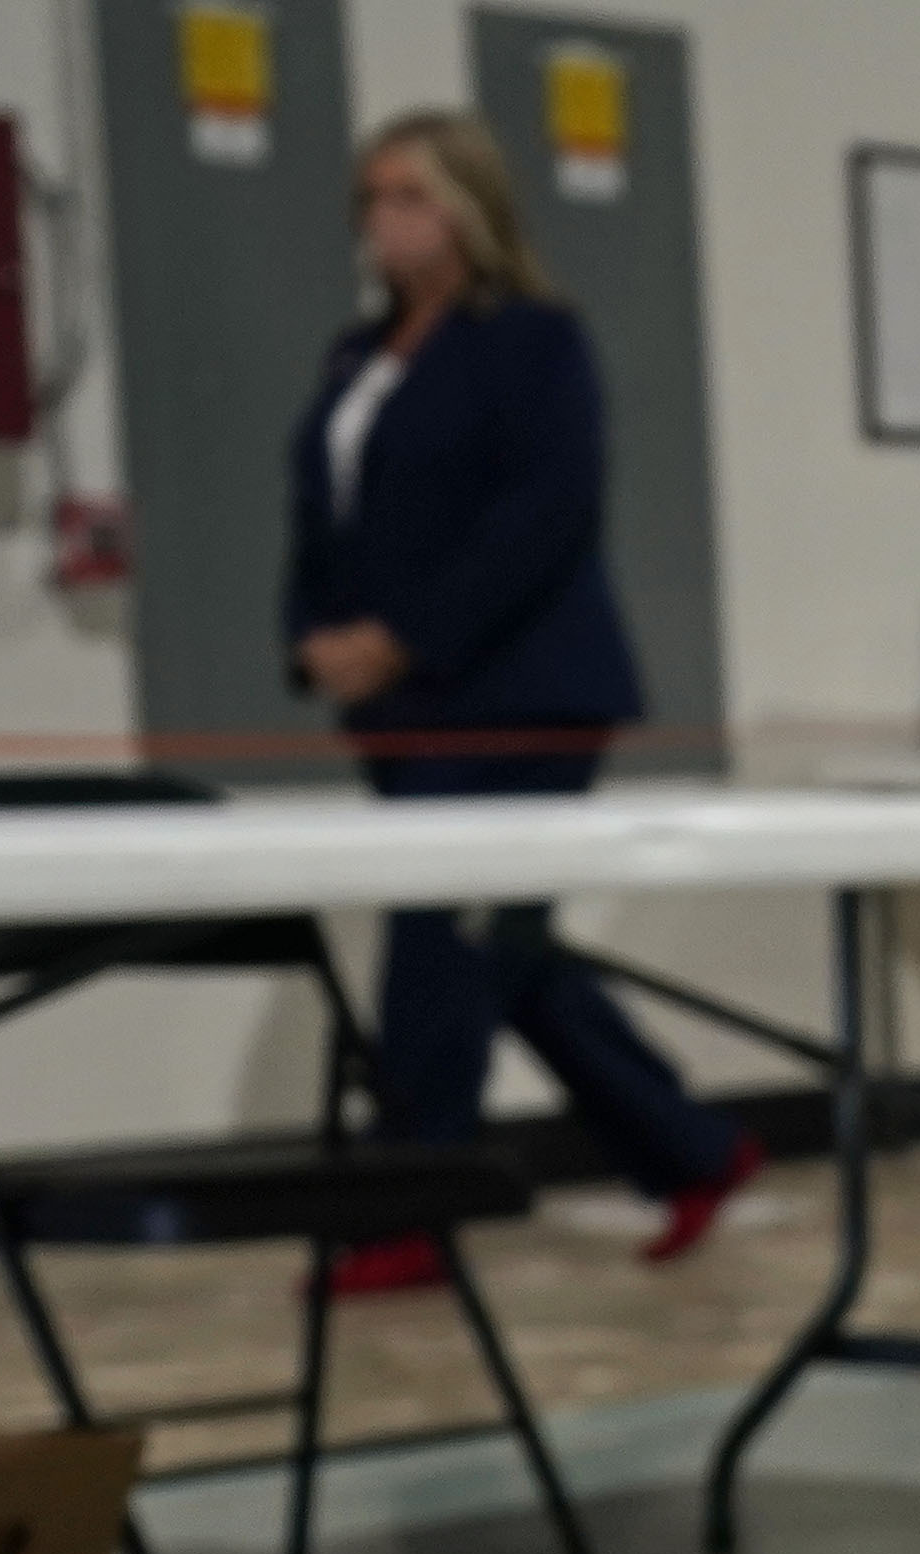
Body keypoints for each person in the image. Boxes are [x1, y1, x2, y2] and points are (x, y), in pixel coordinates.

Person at [282, 109, 759, 1292]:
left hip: (518, 694)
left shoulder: (536, 342)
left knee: (437, 945)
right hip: (401, 708)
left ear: (468, 209)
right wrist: (317, 642)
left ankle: (416, 1203)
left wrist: (404, 638)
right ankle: (692, 1147)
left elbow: (541, 520)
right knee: (508, 946)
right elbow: (325, 520)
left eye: (409, 195)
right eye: (371, 197)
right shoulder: (355, 358)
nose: (383, 219)